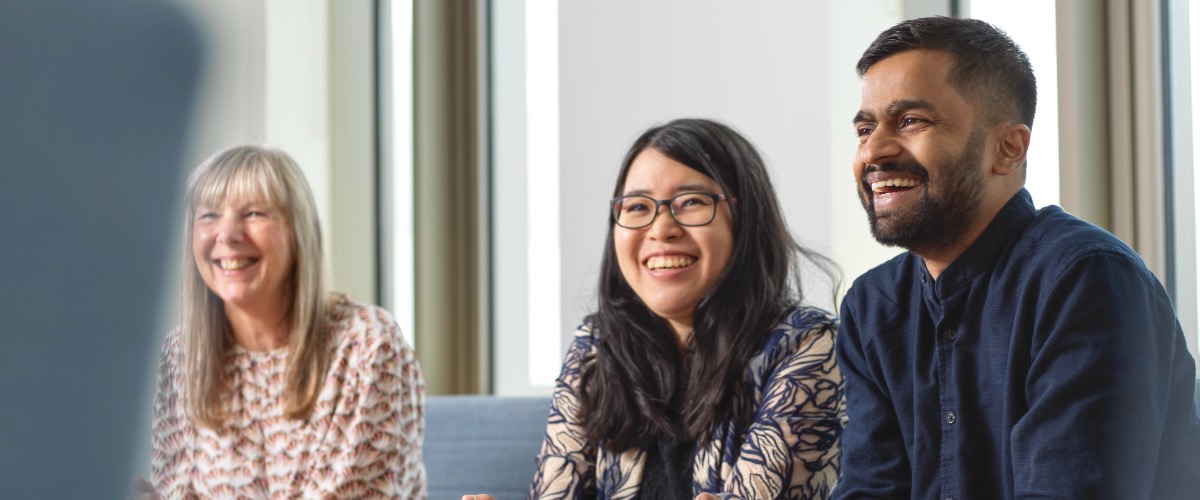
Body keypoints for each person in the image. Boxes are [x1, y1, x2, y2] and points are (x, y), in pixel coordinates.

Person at [836, 16, 1200, 499]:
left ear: (1008, 149)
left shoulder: (1083, 278)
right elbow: (869, 490)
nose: (874, 151)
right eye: (865, 128)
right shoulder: (872, 305)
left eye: (911, 121)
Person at [472, 118, 845, 500]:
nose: (661, 228)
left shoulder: (810, 346)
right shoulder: (596, 347)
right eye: (637, 206)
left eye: (692, 202)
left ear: (746, 219)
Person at [147, 145, 427, 498]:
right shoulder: (181, 353)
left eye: (253, 213)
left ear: (297, 232)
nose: (228, 234)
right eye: (209, 216)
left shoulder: (368, 346)